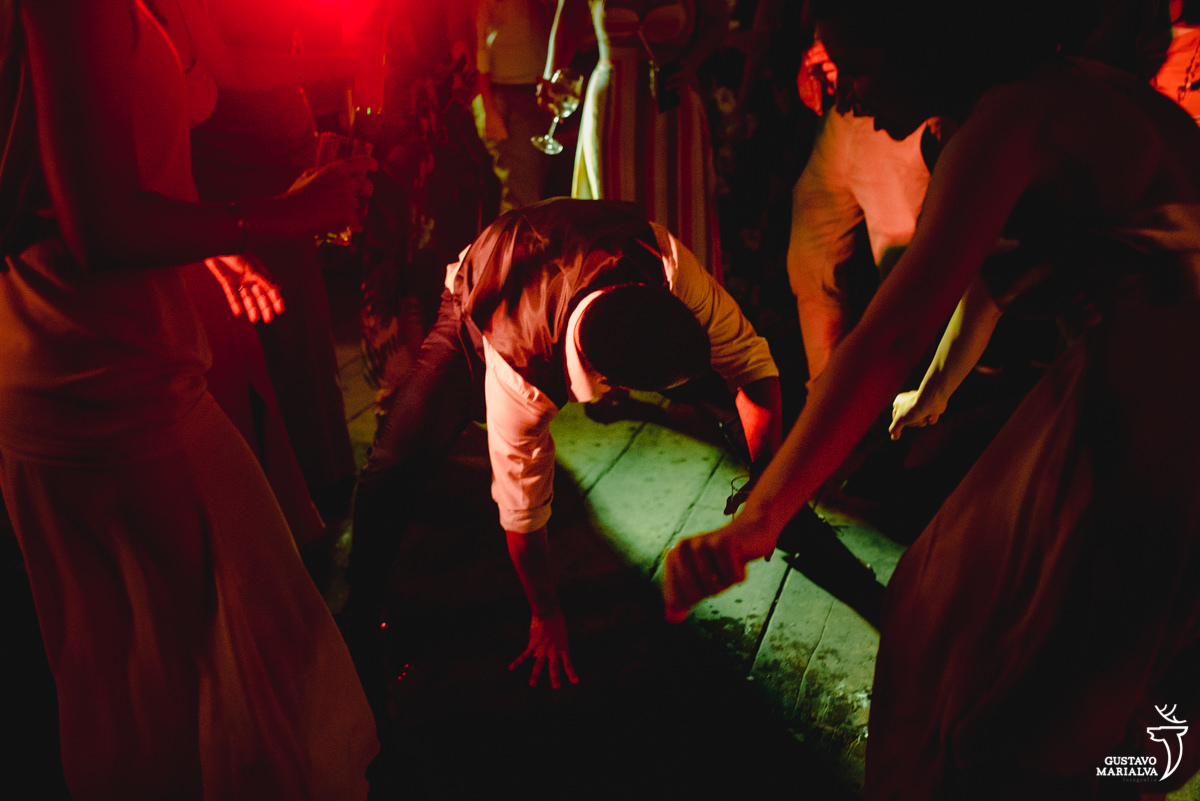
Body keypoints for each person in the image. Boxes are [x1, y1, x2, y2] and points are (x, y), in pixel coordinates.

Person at [663, 0, 1200, 796]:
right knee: (965, 598)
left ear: (923, 44)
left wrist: (759, 519)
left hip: (1165, 383)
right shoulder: (1034, 99)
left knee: (1039, 672)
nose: (843, 97)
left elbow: (889, 335)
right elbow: (991, 283)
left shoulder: (1012, 117)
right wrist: (937, 390)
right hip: (1140, 366)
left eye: (858, 69)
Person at [0, 2, 378, 797]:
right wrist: (280, 215)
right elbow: (97, 225)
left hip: (106, 356)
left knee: (171, 679)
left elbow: (87, 170)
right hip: (97, 376)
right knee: (229, 670)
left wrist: (210, 255)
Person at [346, 197, 782, 694]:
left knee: (739, 402)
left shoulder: (670, 268)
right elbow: (522, 512)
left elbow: (752, 365)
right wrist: (545, 614)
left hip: (570, 251)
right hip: (482, 292)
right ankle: (359, 610)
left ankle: (778, 497)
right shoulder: (521, 370)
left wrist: (768, 491)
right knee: (398, 459)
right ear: (614, 385)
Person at [543, 0, 728, 276]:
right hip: (613, 107)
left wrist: (689, 64)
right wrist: (551, 76)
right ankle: (616, 301)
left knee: (684, 217)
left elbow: (718, 22)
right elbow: (569, 15)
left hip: (674, 106)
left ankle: (685, 306)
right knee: (614, 213)